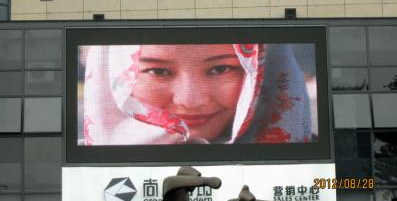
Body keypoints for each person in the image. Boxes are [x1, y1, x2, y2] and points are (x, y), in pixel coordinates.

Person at [82, 43, 312, 145]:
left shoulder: (311, 162)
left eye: (220, 69)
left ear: (265, 69)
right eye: (158, 71)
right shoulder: (80, 177)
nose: (190, 101)